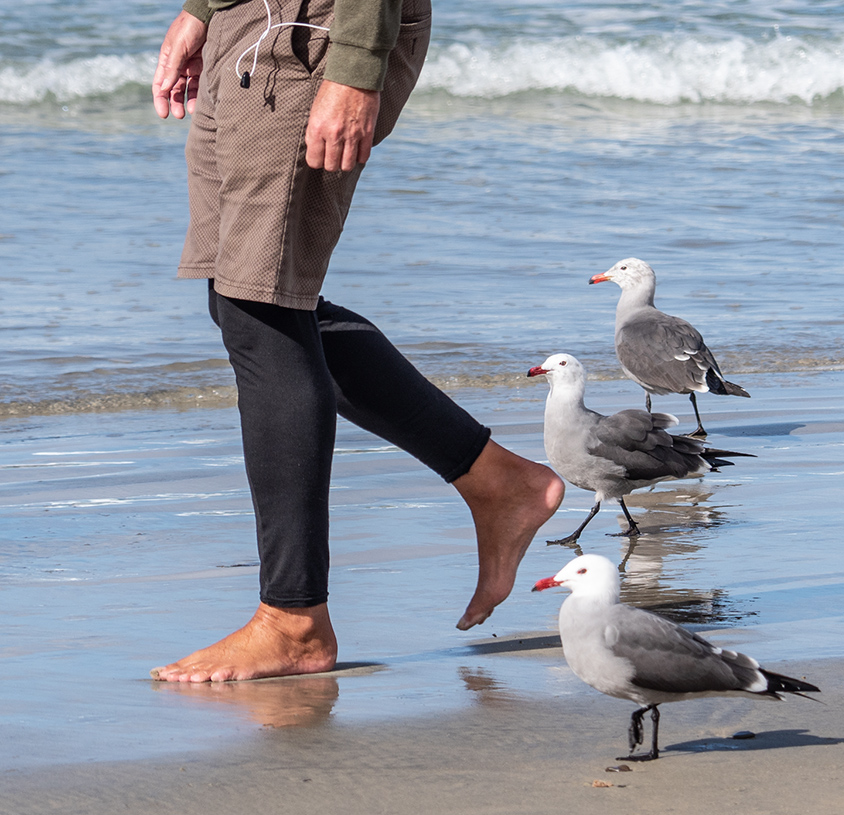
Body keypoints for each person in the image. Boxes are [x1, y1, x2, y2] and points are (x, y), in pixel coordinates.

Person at [149, 0, 564, 682]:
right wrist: (204, 9)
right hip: (251, 22)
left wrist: (356, 65)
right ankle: (500, 482)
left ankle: (293, 619)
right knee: (243, 299)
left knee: (260, 305)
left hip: (317, 29)